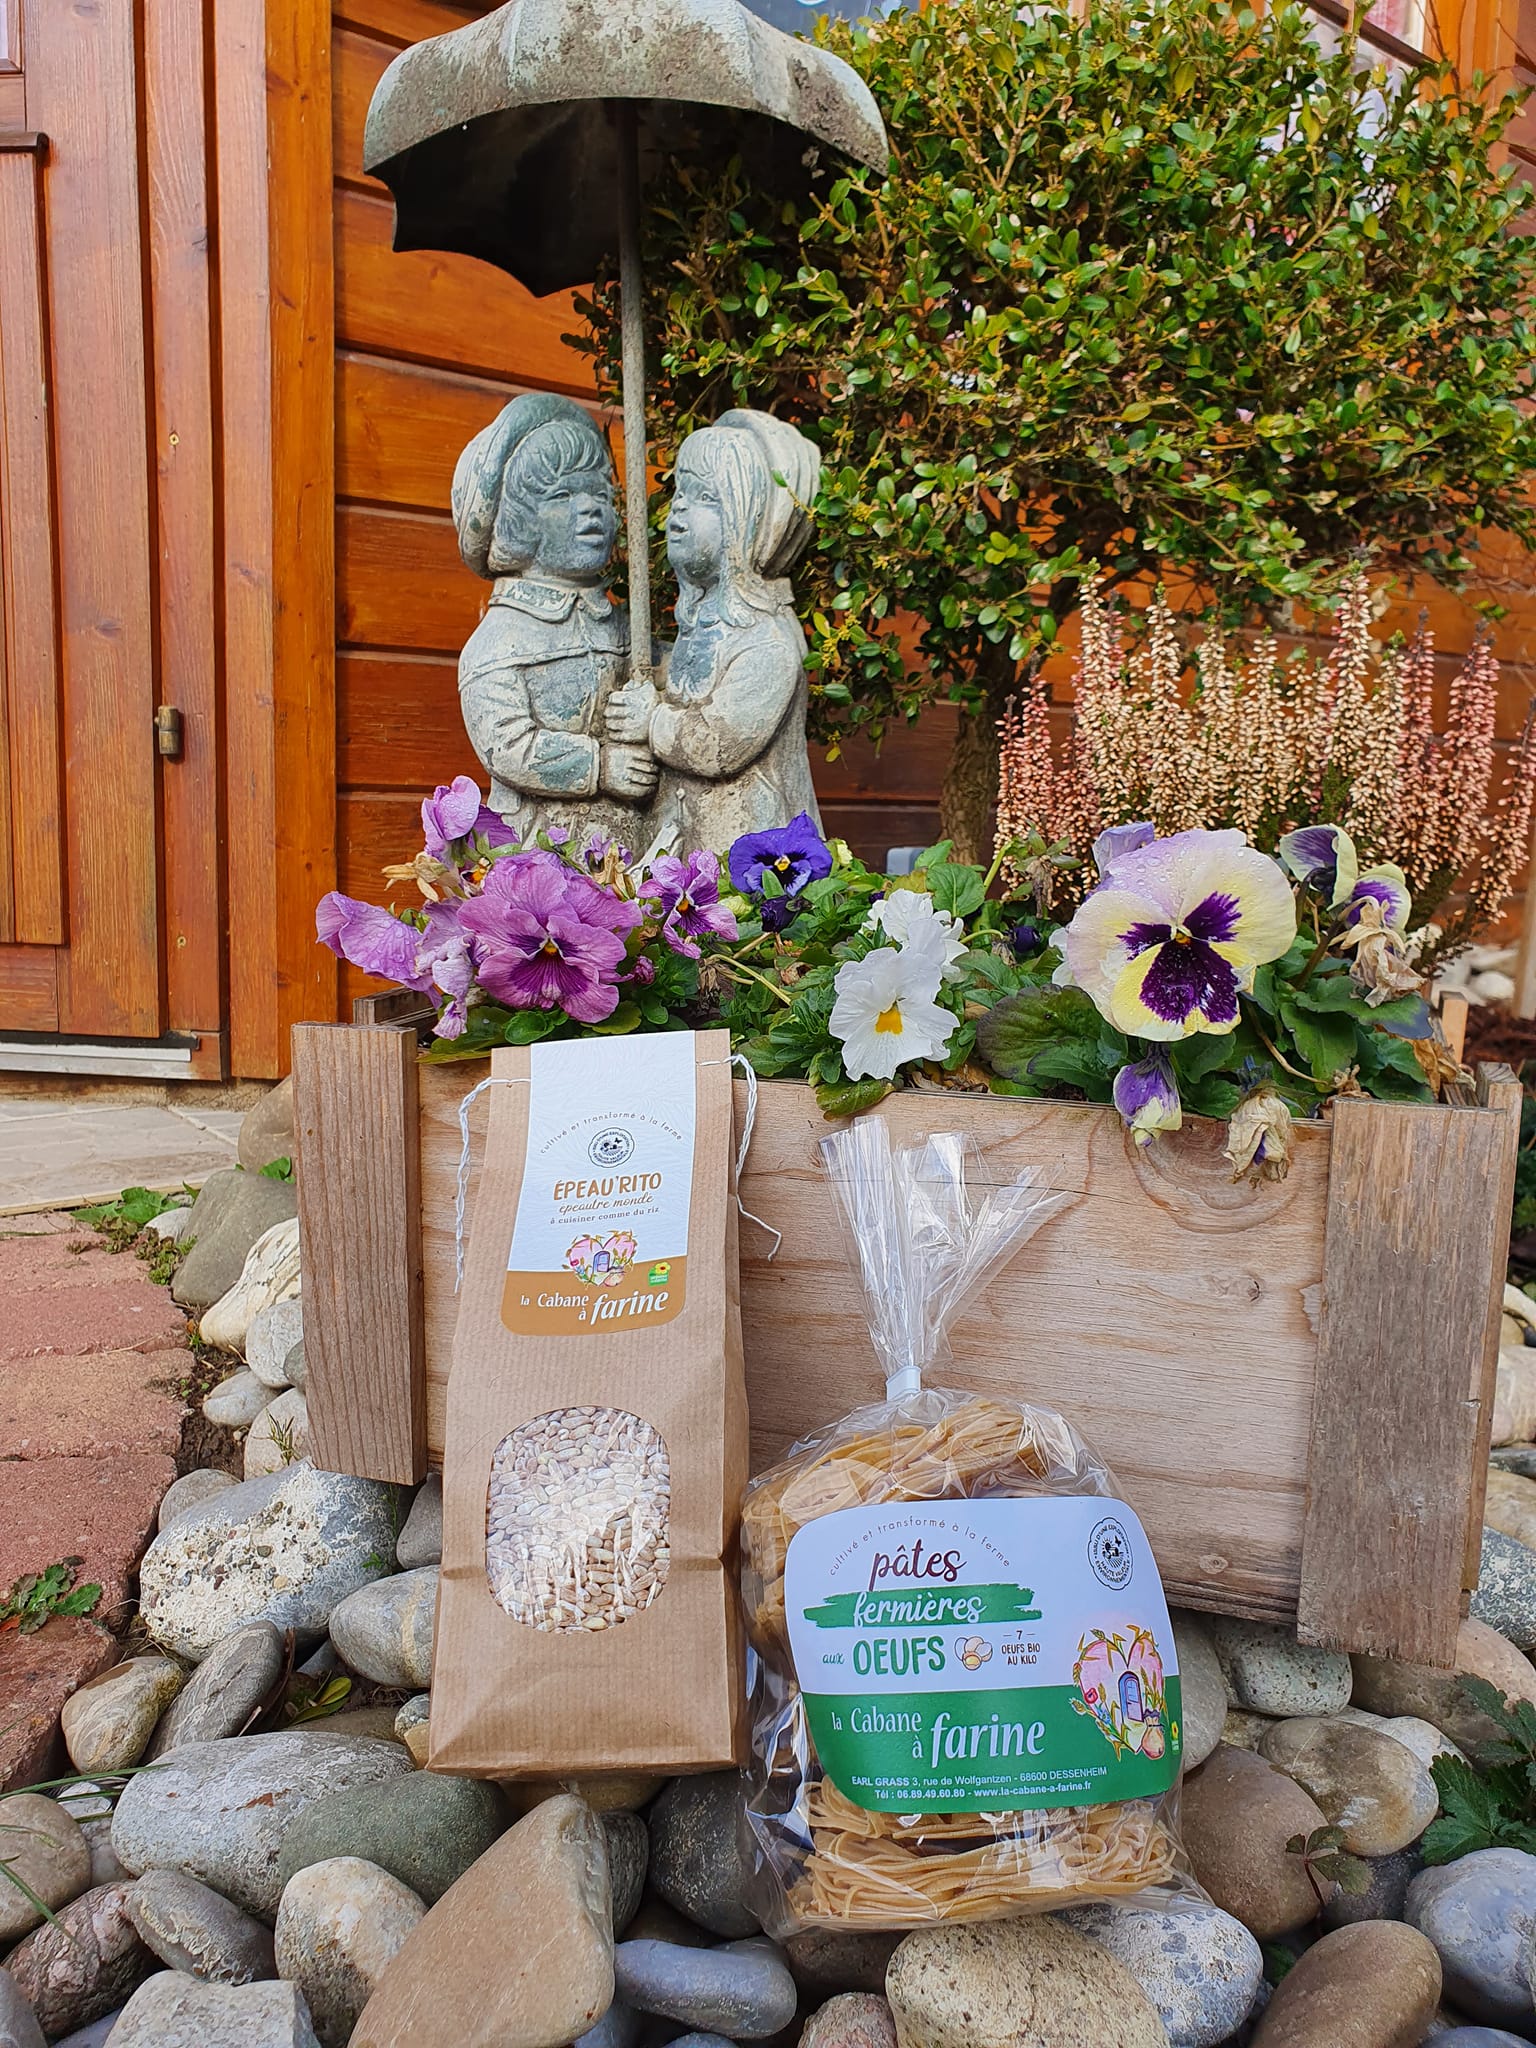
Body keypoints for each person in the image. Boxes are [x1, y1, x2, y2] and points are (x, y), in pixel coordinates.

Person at [605, 410, 823, 855]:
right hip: (688, 839)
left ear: (750, 523)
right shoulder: (708, 623)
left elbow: (720, 743)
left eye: (705, 497)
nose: (680, 508)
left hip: (748, 849)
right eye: (680, 492)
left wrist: (652, 720)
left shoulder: (766, 641)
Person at [454, 393, 657, 842]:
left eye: (600, 493)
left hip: (631, 844)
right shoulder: (500, 642)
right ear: (518, 520)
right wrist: (599, 765)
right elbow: (506, 746)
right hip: (541, 847)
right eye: (562, 496)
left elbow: (665, 679)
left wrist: (653, 703)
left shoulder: (624, 627)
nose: (590, 507)